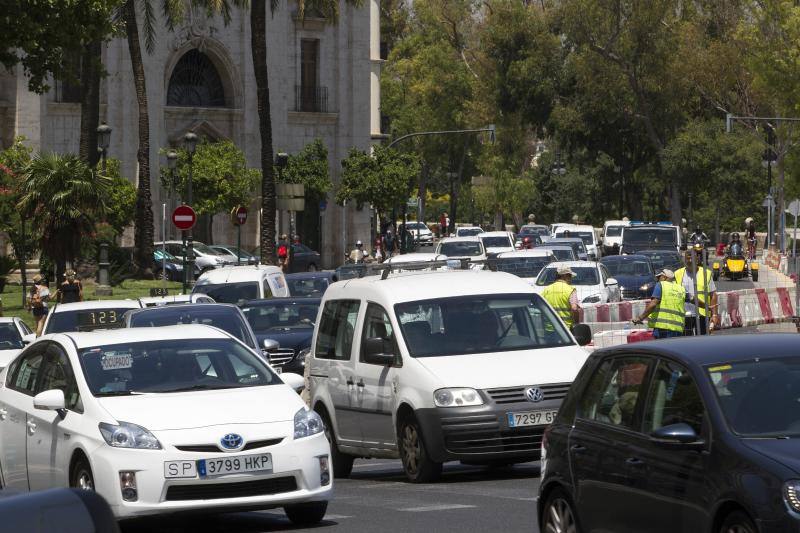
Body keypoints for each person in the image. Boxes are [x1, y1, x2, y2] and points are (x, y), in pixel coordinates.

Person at [675, 247, 718, 335]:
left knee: (703, 341)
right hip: (685, 314)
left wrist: (714, 314)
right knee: (686, 341)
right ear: (684, 260)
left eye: (692, 258)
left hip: (702, 314)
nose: (690, 260)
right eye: (688, 258)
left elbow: (713, 294)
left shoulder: (706, 273)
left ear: (697, 259)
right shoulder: (678, 273)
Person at [632, 269, 685, 338]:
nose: (657, 280)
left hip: (662, 328)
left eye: (659, 277)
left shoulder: (661, 285)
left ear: (664, 277)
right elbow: (693, 299)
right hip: (677, 329)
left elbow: (653, 304)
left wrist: (640, 318)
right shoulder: (681, 289)